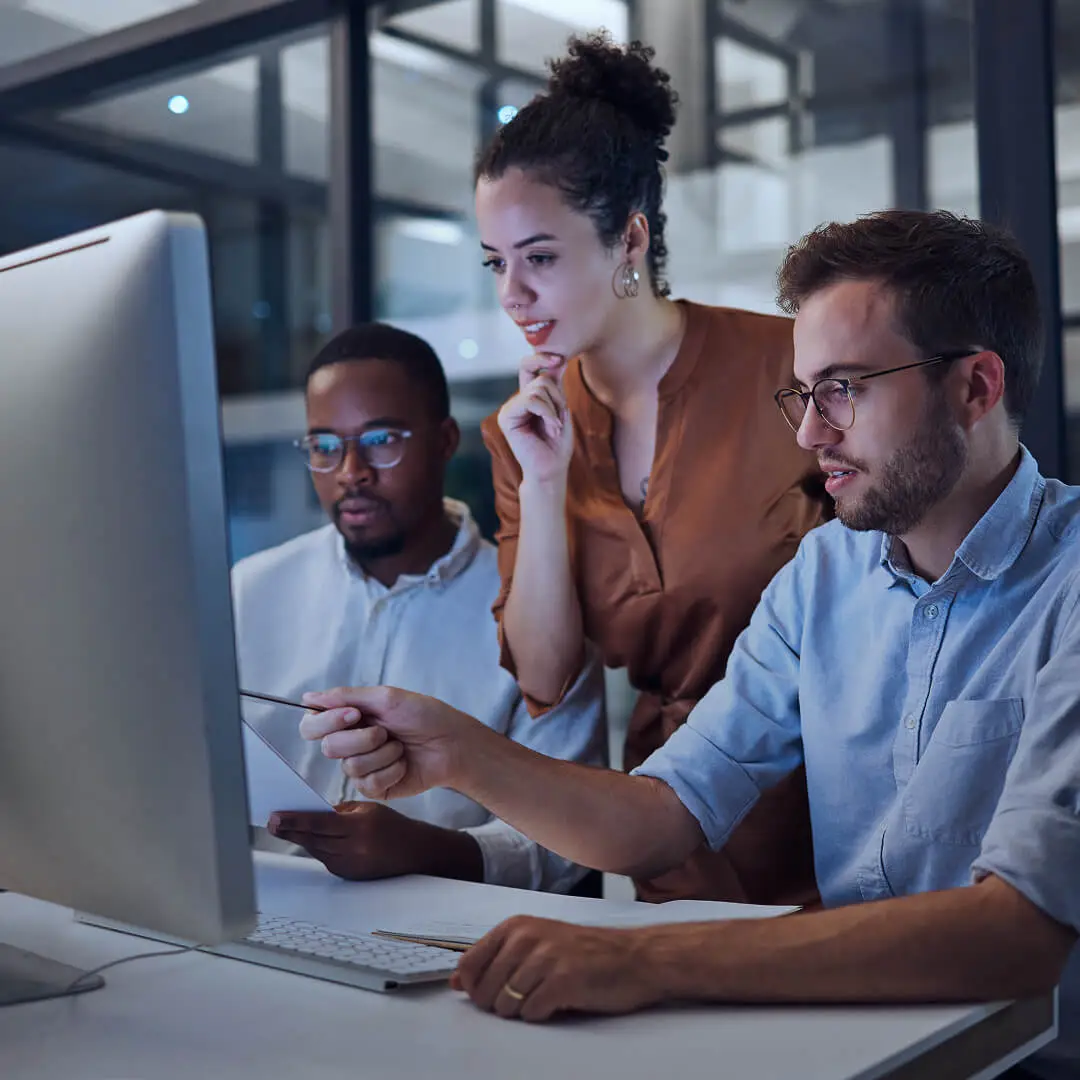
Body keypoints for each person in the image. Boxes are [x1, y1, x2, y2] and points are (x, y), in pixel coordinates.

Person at [301, 211, 1080, 1079]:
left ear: (976, 388)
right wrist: (458, 754)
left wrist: (649, 961)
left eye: (845, 389)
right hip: (863, 1048)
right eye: (804, 393)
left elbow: (1020, 933)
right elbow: (666, 815)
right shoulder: (824, 573)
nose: (810, 434)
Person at [475, 32, 828, 904]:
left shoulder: (792, 367)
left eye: (540, 257)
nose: (511, 296)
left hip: (836, 819)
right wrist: (548, 479)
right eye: (497, 264)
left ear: (629, 238)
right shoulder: (523, 434)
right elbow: (549, 677)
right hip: (668, 835)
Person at [231, 323, 605, 893]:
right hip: (264, 913)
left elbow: (577, 840)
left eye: (381, 440)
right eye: (325, 447)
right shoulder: (251, 592)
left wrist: (432, 851)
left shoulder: (536, 610)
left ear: (445, 441)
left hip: (451, 936)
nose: (350, 472)